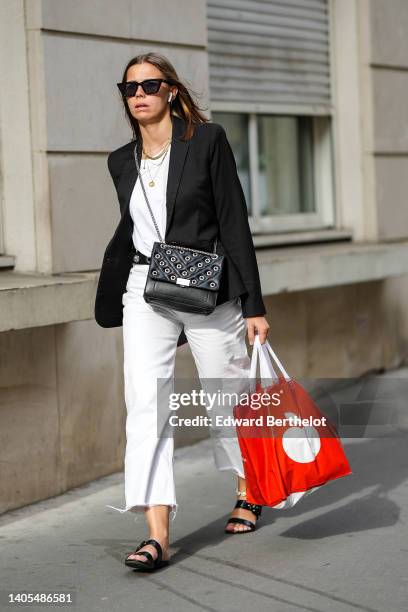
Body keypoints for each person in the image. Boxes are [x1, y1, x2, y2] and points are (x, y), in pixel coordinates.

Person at [96, 51, 269, 572]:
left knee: (226, 397)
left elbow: (233, 220)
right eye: (130, 88)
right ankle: (156, 533)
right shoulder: (120, 161)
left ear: (171, 90)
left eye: (151, 84)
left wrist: (254, 304)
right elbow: (135, 228)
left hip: (207, 287)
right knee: (146, 406)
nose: (140, 94)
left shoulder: (207, 142)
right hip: (145, 287)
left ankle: (249, 486)